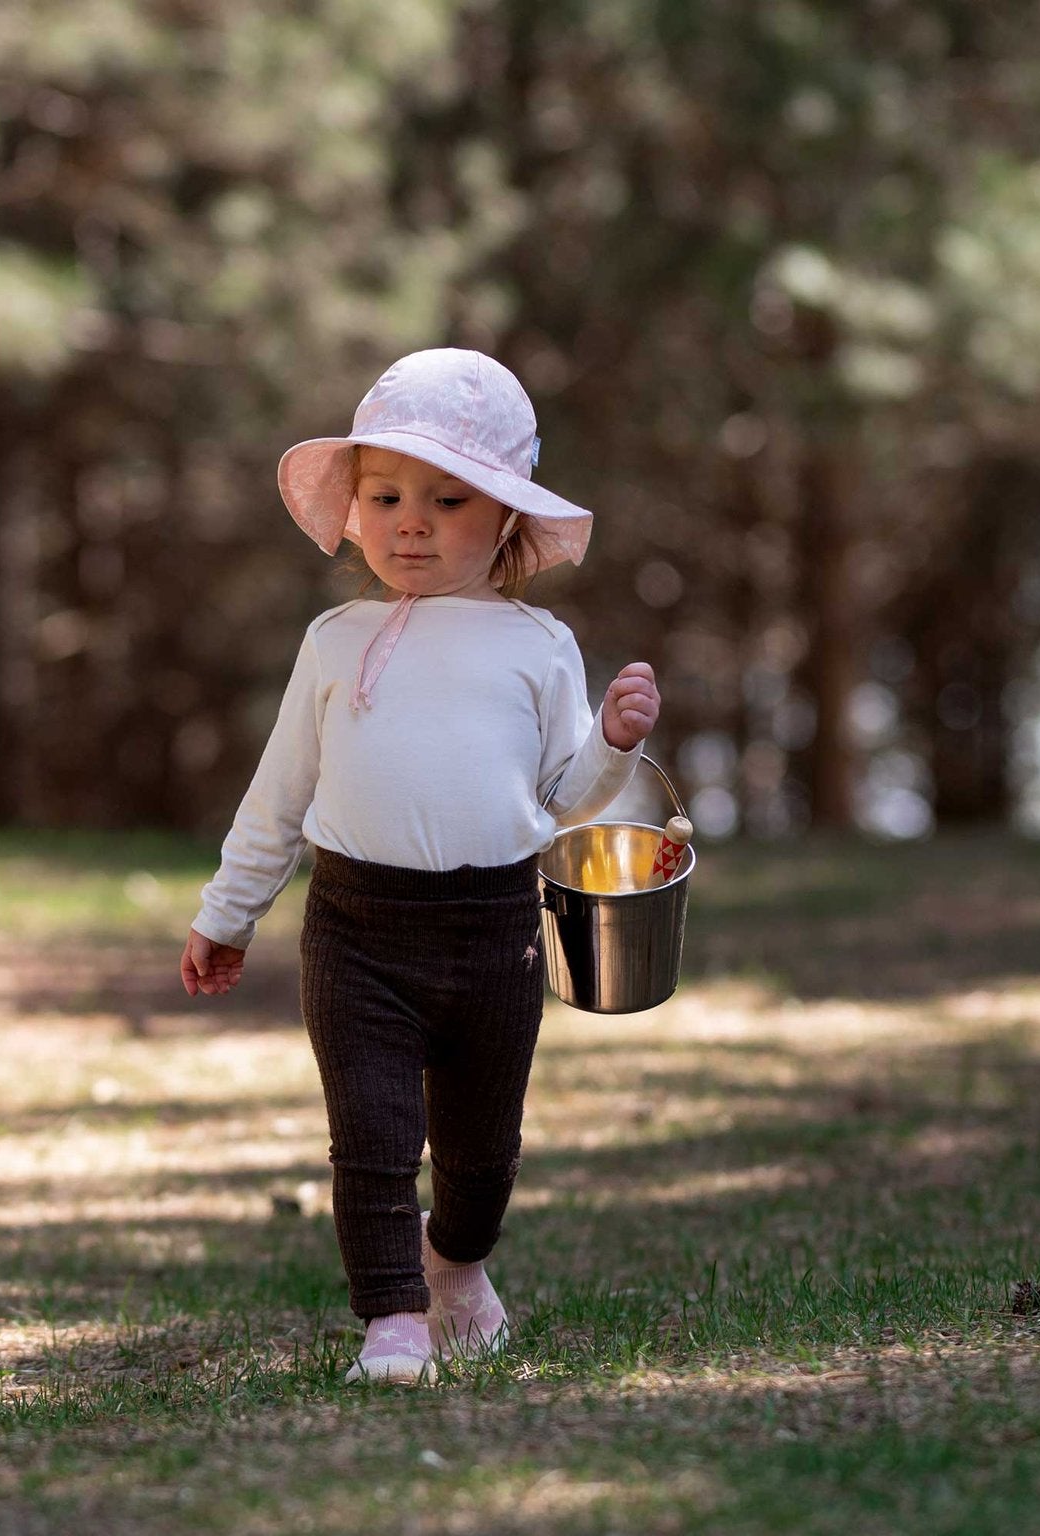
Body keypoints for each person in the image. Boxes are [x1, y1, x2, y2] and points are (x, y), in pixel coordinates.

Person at [180, 348, 660, 1383]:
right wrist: (229, 912)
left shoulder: (539, 645)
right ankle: (391, 1323)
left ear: (509, 523)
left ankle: (456, 1266)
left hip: (494, 933)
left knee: (481, 1157)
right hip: (357, 931)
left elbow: (565, 801)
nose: (411, 521)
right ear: (354, 509)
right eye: (387, 495)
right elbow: (279, 791)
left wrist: (613, 745)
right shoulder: (335, 641)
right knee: (372, 1137)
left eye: (448, 501)